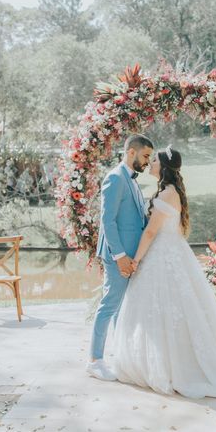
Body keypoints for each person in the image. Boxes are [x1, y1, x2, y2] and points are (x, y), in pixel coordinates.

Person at [111, 146, 216, 399]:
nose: (150, 163)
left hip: (162, 256)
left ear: (164, 166)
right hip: (170, 253)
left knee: (170, 309)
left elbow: (150, 232)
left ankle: (175, 366)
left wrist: (135, 260)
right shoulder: (170, 191)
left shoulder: (168, 193)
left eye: (154, 159)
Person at [86, 134, 154, 381]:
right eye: (145, 156)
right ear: (131, 152)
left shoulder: (132, 181)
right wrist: (121, 256)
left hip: (130, 255)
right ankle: (94, 360)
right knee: (109, 305)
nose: (147, 162)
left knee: (119, 309)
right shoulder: (115, 178)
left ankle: (120, 355)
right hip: (118, 256)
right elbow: (108, 221)